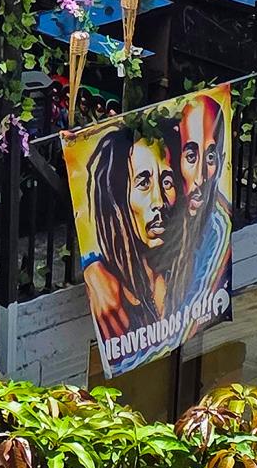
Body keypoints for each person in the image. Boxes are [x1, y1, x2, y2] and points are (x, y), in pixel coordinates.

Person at [80, 127, 174, 341]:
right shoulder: (105, 282)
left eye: (166, 182)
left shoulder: (182, 268)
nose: (159, 202)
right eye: (143, 183)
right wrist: (91, 267)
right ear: (117, 197)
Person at [163, 93, 232, 326]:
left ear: (221, 161)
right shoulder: (164, 208)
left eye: (210, 157)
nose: (201, 177)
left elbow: (187, 319)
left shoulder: (218, 228)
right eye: (191, 156)